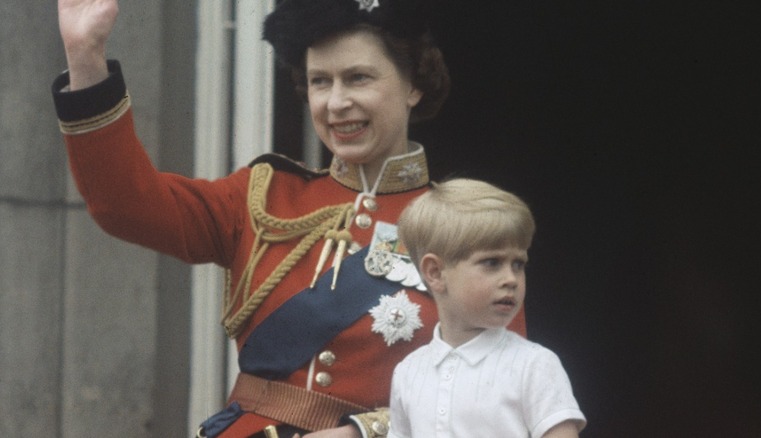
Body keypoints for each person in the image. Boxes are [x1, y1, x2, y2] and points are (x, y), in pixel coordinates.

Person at [51, 0, 527, 437]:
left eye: (359, 78)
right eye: (321, 81)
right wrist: (86, 56)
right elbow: (124, 204)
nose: (336, 102)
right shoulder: (264, 197)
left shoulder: (467, 228)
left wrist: (367, 432)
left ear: (414, 85)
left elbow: (495, 395)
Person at [389, 178, 586, 438]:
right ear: (435, 272)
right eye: (492, 262)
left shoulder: (534, 365)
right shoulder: (408, 372)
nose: (511, 279)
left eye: (518, 264)